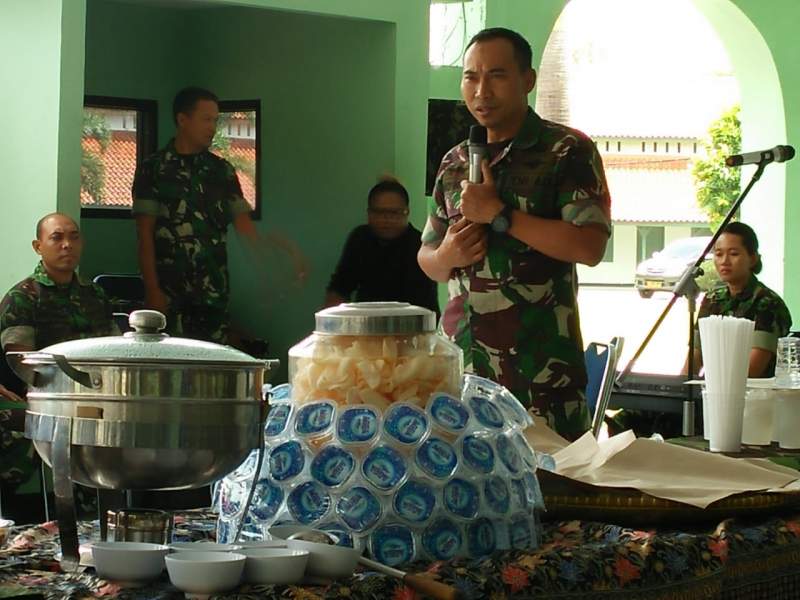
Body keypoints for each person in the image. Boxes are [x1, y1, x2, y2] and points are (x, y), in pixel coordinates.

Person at [418, 27, 611, 440]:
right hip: (460, 376)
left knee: (550, 497)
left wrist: (500, 214)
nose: (481, 90)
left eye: (497, 75)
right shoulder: (455, 161)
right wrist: (447, 255)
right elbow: (427, 258)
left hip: (539, 379)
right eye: (471, 76)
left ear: (528, 80)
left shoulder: (567, 151)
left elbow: (589, 245)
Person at [0, 213, 118, 514]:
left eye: (74, 237)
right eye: (57, 238)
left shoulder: (96, 295)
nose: (67, 245)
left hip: (96, 397)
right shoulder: (23, 298)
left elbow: (115, 352)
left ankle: (102, 515)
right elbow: (23, 364)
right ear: (38, 246)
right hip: (46, 399)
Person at [132, 87, 259, 344]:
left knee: (211, 365)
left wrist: (279, 253)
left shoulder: (221, 171)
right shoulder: (153, 169)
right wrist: (153, 290)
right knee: (170, 368)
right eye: (206, 119)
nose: (212, 127)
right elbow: (144, 237)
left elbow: (246, 230)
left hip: (212, 295)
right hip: (169, 293)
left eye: (215, 120)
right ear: (182, 119)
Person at [325, 178, 439, 315]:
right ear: (369, 213)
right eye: (379, 212)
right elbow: (340, 287)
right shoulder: (360, 238)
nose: (386, 219)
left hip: (411, 325)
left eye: (394, 213)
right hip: (366, 324)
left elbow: (426, 306)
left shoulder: (420, 245)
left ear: (406, 212)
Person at [692, 222, 792, 377]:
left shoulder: (767, 302)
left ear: (752, 258)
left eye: (733, 254)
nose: (724, 261)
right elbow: (695, 357)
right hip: (710, 391)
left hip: (756, 396)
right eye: (718, 254)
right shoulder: (712, 299)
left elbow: (752, 371)